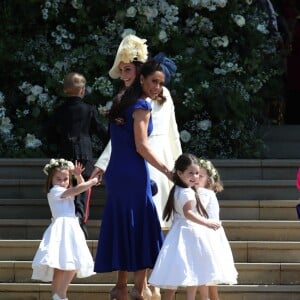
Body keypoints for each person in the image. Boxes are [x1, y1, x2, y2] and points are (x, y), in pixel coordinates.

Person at [91, 34, 182, 300]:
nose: (157, 87)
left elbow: (165, 134)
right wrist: (168, 170)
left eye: (126, 69)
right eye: (154, 81)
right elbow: (140, 144)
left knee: (124, 224)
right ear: (144, 78)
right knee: (143, 226)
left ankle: (123, 286)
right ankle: (140, 289)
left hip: (123, 169)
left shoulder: (123, 99)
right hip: (137, 167)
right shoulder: (138, 103)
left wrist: (104, 165)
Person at [148, 153, 237, 300]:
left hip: (178, 233)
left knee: (179, 271)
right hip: (188, 233)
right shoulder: (187, 192)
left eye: (197, 173)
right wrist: (207, 222)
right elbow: (188, 213)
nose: (195, 177)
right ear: (180, 173)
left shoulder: (178, 188)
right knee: (193, 270)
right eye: (191, 173)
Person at [44, 72, 109, 238]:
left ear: (66, 90)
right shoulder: (89, 109)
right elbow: (101, 132)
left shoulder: (60, 110)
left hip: (66, 154)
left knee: (66, 187)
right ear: (83, 90)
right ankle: (81, 220)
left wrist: (58, 141)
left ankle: (70, 218)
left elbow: (49, 132)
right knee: (83, 189)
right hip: (85, 154)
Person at [31, 158, 99, 300]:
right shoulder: (55, 191)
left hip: (69, 226)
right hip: (64, 228)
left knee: (61, 264)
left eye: (65, 179)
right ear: (51, 180)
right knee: (74, 260)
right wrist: (92, 181)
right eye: (58, 179)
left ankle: (57, 295)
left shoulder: (65, 190)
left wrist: (78, 175)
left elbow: (81, 187)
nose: (62, 182)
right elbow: (79, 189)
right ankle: (61, 293)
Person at [196, 158, 238, 300]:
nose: (196, 178)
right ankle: (213, 297)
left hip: (207, 235)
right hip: (213, 234)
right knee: (210, 271)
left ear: (209, 179)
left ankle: (206, 297)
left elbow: (198, 213)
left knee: (205, 270)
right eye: (195, 174)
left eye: (200, 176)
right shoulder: (208, 193)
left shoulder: (204, 193)